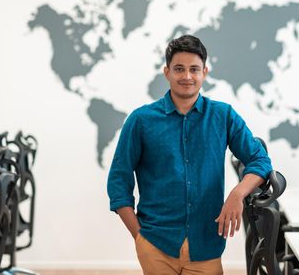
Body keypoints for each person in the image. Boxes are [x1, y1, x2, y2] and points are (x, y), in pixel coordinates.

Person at [107, 34, 272, 275]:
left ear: (204, 72)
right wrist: (139, 236)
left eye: (194, 69)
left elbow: (260, 160)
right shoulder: (141, 120)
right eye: (179, 69)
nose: (187, 76)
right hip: (156, 244)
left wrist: (237, 194)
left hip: (206, 245)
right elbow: (118, 182)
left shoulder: (223, 116)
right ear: (167, 72)